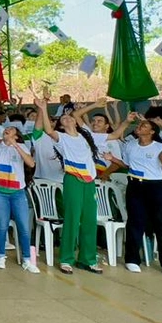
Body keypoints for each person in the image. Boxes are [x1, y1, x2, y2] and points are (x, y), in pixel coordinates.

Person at [35, 94, 104, 275]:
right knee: (72, 219)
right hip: (73, 179)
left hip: (89, 181)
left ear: (74, 121)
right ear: (61, 125)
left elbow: (78, 113)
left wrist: (95, 104)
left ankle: (88, 259)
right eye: (63, 118)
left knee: (89, 220)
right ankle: (66, 259)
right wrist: (43, 108)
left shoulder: (85, 136)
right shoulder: (61, 138)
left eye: (69, 117)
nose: (66, 118)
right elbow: (48, 130)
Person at [108, 119, 162, 277]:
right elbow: (127, 165)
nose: (139, 127)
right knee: (135, 222)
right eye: (139, 125)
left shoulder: (161, 147)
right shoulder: (130, 145)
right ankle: (132, 259)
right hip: (135, 185)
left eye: (144, 126)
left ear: (152, 132)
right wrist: (113, 159)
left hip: (156, 186)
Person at [0, 125, 39, 273]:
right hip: (0, 193)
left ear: (16, 136)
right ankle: (1, 256)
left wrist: (15, 145)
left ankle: (27, 259)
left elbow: (31, 163)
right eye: (6, 129)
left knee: (23, 227)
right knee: (2, 225)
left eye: (11, 129)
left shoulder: (21, 146)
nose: (7, 130)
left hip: (18, 193)